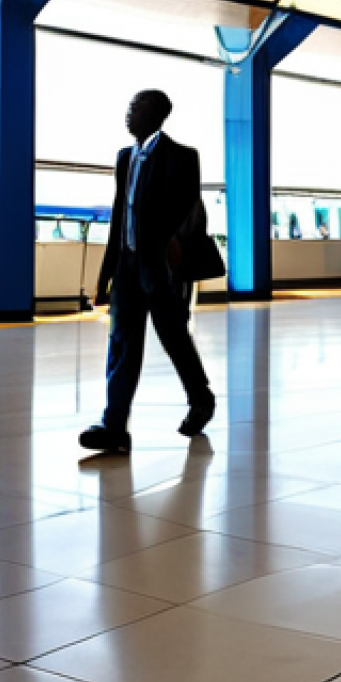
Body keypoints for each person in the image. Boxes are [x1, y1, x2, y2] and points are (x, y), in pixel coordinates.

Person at [79, 90, 218, 454]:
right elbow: (119, 217)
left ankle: (201, 399)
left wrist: (169, 264)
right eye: (129, 107)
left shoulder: (182, 157)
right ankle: (114, 425)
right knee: (122, 343)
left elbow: (182, 213)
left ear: (157, 114)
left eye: (136, 107)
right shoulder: (124, 157)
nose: (129, 113)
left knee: (173, 337)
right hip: (127, 265)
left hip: (160, 267)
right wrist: (105, 276)